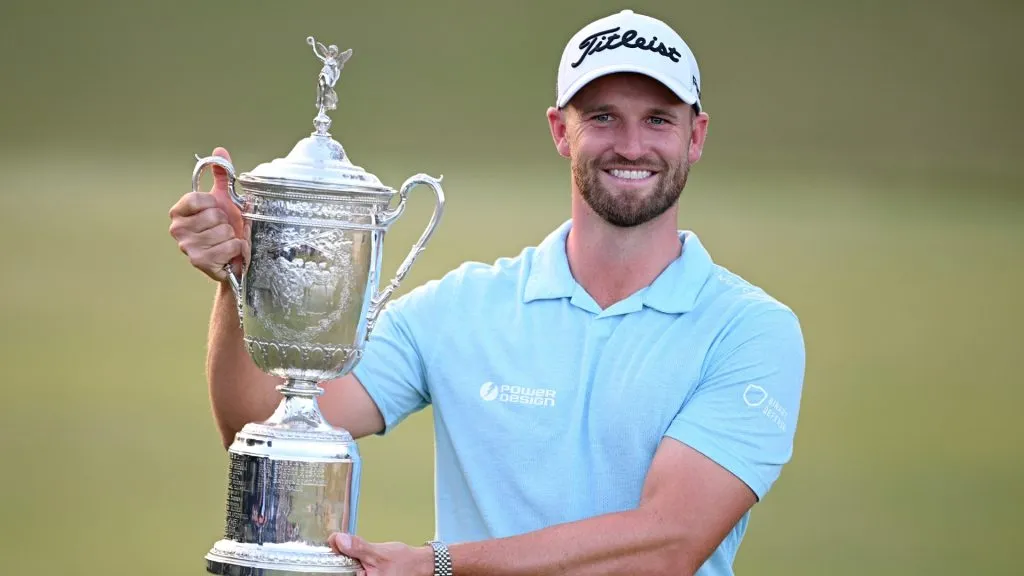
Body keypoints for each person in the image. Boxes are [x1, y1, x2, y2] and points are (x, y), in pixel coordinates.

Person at [168, 8, 806, 576]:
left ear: (695, 136)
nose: (632, 145)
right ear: (561, 129)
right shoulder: (462, 308)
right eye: (603, 117)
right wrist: (244, 280)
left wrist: (439, 567)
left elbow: (667, 546)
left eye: (658, 119)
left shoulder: (749, 331)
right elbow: (262, 424)